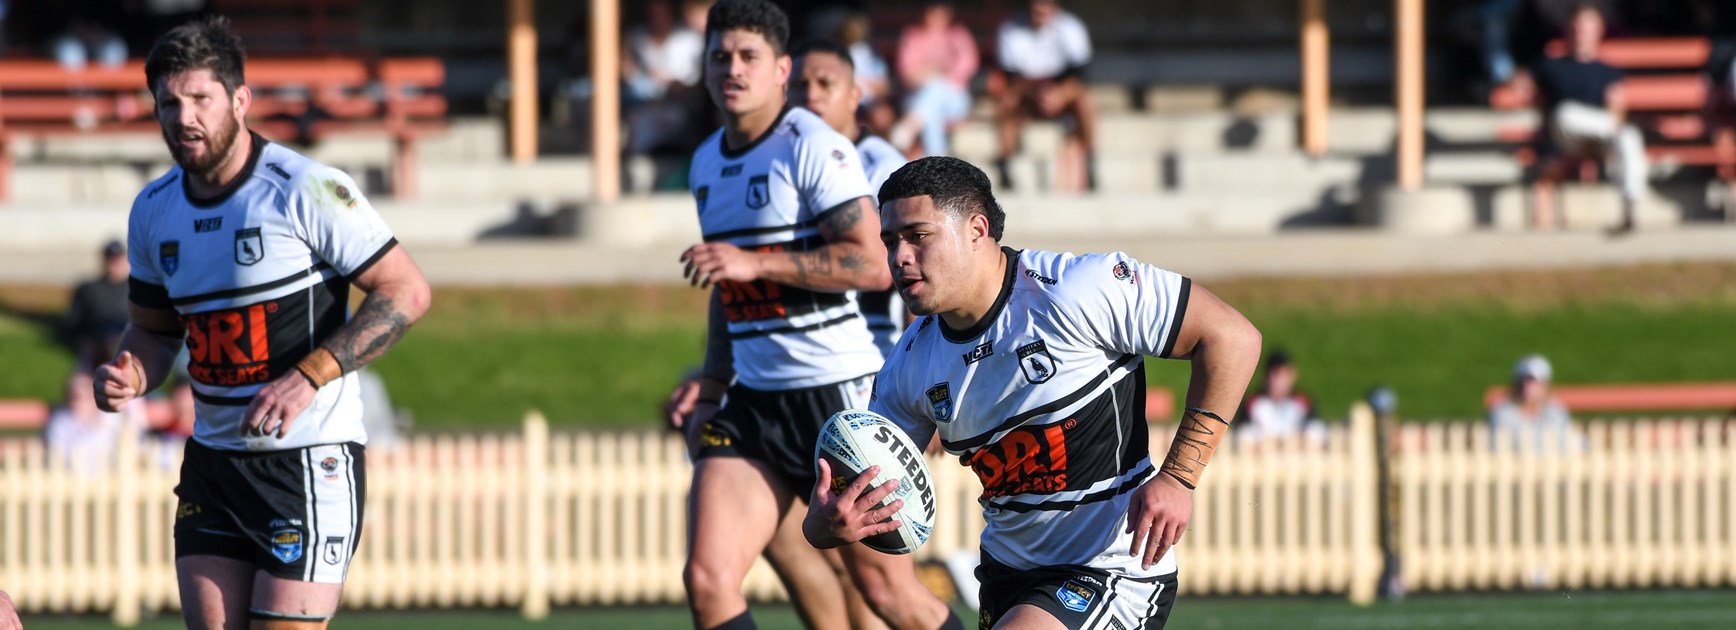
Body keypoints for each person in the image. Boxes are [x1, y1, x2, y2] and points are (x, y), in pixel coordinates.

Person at [804, 156, 1263, 629]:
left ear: (978, 230)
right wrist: (824, 527)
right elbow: (877, 483)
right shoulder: (908, 366)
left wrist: (1178, 478)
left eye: (918, 236)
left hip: (1110, 567)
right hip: (1007, 576)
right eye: (890, 241)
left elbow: (1232, 339)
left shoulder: (1078, 290)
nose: (899, 257)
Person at [92, 16, 430, 630]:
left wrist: (310, 376)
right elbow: (154, 331)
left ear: (240, 101)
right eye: (169, 102)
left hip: (305, 461)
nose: (184, 116)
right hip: (213, 461)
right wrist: (129, 373)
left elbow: (406, 290)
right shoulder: (153, 209)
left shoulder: (305, 189)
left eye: (200, 99)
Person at [677, 2, 960, 629]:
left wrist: (757, 264)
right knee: (708, 579)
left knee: (887, 595)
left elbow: (870, 264)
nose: (733, 69)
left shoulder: (812, 146)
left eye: (749, 56)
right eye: (720, 56)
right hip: (755, 400)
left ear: (781, 69)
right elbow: (728, 286)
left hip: (838, 400)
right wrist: (710, 392)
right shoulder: (704, 162)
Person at [1531, 3, 1646, 232]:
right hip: (1566, 136)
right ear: (1568, 30)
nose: (1582, 31)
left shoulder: (1608, 71)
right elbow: (1533, 96)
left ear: (1599, 30)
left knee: (1629, 137)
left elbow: (1617, 107)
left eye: (1588, 25)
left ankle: (1630, 207)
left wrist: (1615, 122)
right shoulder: (1550, 65)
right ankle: (1611, 130)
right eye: (1578, 26)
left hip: (1602, 138)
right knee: (1567, 113)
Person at [992, 0, 1097, 192]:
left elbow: (1081, 75)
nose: (1037, 16)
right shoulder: (1011, 29)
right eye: (1034, 10)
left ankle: (1090, 159)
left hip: (1062, 91)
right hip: (1028, 92)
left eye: (1043, 11)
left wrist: (1060, 94)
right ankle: (1006, 164)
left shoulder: (1071, 28)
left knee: (1085, 101)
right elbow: (1011, 77)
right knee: (1007, 103)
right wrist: (1039, 94)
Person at [891, 0, 979, 157]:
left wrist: (928, 71)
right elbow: (907, 75)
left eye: (938, 11)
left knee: (936, 89)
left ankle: (908, 127)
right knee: (932, 110)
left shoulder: (959, 35)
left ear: (947, 14)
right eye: (930, 11)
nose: (933, 16)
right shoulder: (912, 35)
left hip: (954, 99)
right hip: (917, 97)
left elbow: (966, 68)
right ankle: (939, 160)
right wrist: (941, 69)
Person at [623, 0, 707, 155]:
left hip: (684, 102)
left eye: (662, 13)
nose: (657, 18)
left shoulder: (689, 39)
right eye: (653, 14)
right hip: (646, 103)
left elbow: (696, 82)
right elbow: (629, 72)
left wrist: (679, 88)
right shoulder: (637, 37)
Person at [63, 240, 132, 373]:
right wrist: (82, 343)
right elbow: (71, 324)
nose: (114, 263)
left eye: (118, 259)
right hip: (94, 350)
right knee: (79, 386)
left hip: (130, 351)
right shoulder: (88, 289)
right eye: (110, 258)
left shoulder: (138, 290)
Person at [1487, 354, 1580, 452]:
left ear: (1545, 384)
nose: (1526, 387)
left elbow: (1564, 446)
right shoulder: (1501, 413)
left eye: (1533, 382)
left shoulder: (1556, 412)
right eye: (1522, 381)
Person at [1237, 350, 1327, 449]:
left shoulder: (1302, 402)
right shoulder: (1253, 402)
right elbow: (1244, 433)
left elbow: (1316, 430)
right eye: (1274, 374)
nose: (1278, 381)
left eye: (1282, 375)